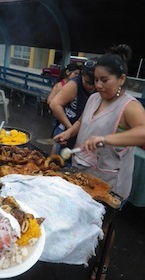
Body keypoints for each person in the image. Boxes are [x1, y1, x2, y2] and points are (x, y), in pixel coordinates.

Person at [54, 44, 145, 279]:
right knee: (81, 218)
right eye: (96, 80)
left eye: (105, 80)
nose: (99, 85)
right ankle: (76, 258)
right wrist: (69, 132)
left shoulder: (130, 106)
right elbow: (83, 121)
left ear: (122, 78)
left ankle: (102, 263)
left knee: (103, 227)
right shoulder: (94, 98)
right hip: (83, 172)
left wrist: (105, 139)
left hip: (111, 181)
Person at [49, 59, 97, 155]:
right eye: (87, 82)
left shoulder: (99, 90)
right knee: (59, 156)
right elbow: (54, 104)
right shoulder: (74, 84)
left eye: (94, 83)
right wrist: (70, 129)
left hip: (82, 131)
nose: (90, 86)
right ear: (82, 75)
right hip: (66, 126)